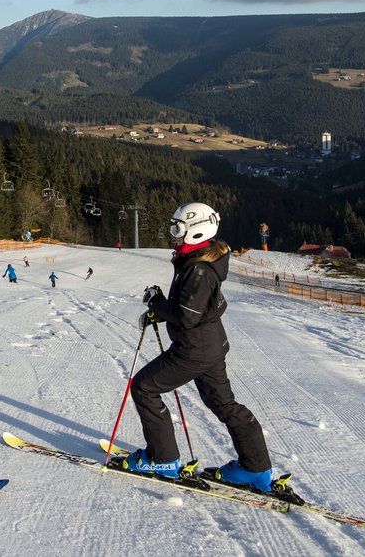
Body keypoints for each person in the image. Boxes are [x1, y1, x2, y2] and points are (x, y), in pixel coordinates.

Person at [116, 202, 273, 491]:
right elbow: (198, 308)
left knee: (144, 388)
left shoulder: (199, 269)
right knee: (223, 404)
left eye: (178, 229)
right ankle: (256, 468)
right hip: (210, 345)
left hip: (193, 350)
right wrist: (161, 311)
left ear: (197, 232)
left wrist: (155, 302)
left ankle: (162, 458)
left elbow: (187, 316)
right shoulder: (199, 259)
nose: (173, 234)